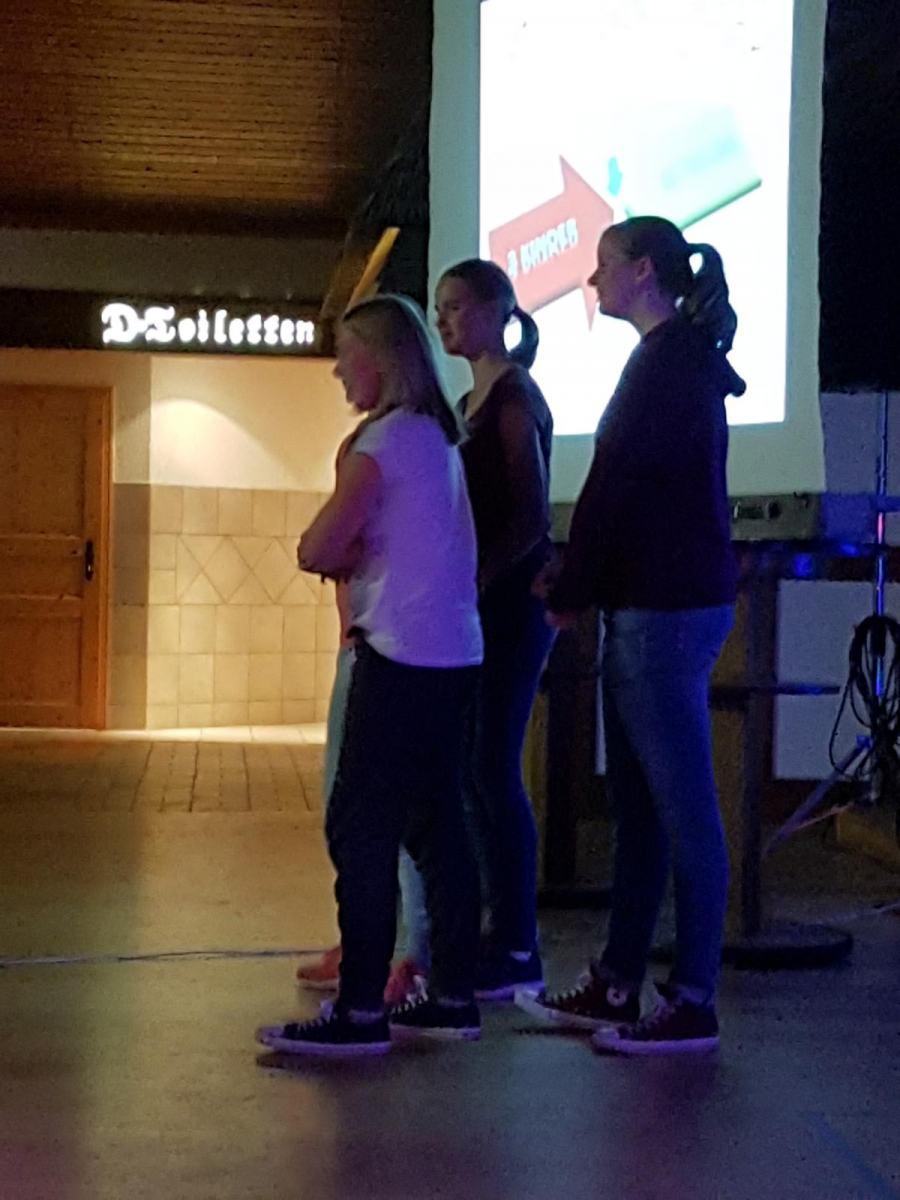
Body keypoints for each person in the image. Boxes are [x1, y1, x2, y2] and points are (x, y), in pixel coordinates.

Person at [517, 216, 743, 1054]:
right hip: (664, 602)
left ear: (644, 271)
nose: (592, 280)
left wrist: (572, 588)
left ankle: (691, 1000)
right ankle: (617, 983)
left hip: (661, 610)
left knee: (681, 811)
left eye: (604, 265)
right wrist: (584, 583)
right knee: (644, 809)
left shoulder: (663, 366)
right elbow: (628, 491)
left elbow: (615, 487)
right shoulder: (681, 360)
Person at [257, 294, 483, 1056]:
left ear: (380, 361)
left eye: (345, 356)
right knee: (439, 826)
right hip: (454, 653)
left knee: (360, 827)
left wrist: (341, 550)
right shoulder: (438, 441)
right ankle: (453, 995)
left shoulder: (381, 443)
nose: (337, 371)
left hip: (395, 654)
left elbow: (318, 547)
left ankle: (358, 1011)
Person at [434, 259, 555, 1000]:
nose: (442, 320)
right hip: (482, 605)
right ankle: (496, 930)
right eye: (439, 308)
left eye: (454, 306)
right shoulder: (466, 400)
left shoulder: (513, 396)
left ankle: (517, 943)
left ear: (493, 310)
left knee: (492, 767)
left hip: (510, 608)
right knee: (475, 769)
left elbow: (531, 514)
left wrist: (478, 579)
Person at [294, 434, 431, 1007]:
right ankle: (369, 943)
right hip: (363, 645)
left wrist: (334, 548)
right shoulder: (376, 443)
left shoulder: (395, 446)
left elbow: (325, 546)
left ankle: (408, 957)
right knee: (348, 807)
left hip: (381, 649)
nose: (345, 387)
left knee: (385, 815)